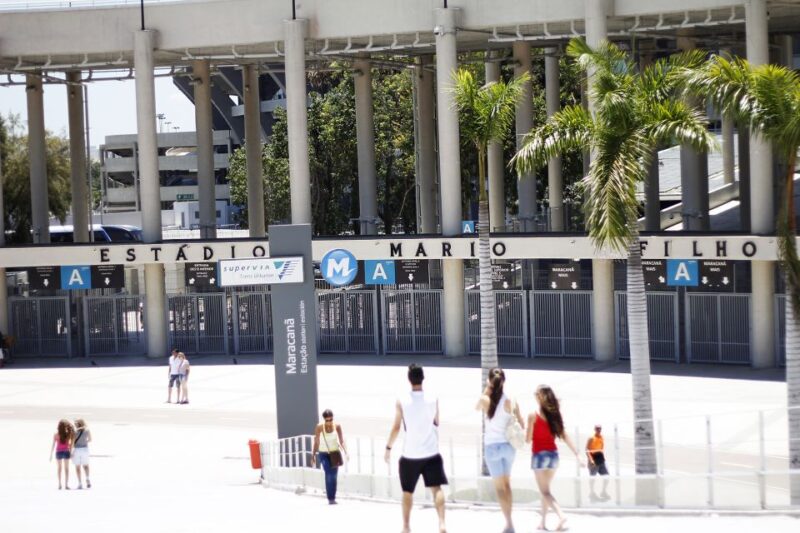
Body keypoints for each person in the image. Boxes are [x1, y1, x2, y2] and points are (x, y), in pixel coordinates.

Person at [385, 364, 447, 533]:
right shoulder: (434, 398)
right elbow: (437, 421)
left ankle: (406, 526)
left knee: (407, 492)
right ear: (423, 378)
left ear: (409, 379)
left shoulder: (402, 401)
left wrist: (388, 447)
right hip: (431, 452)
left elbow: (396, 427)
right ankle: (441, 523)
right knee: (437, 489)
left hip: (410, 454)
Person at [527, 385, 581, 532]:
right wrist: (577, 454)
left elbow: (528, 439)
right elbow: (565, 435)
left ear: (539, 397)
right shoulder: (554, 415)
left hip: (539, 456)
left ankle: (561, 515)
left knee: (545, 492)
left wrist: (522, 423)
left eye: (535, 394)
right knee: (545, 491)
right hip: (553, 456)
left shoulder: (533, 415)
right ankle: (542, 523)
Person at [477, 368, 524, 533]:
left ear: (490, 381)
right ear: (504, 382)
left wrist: (487, 389)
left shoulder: (485, 399)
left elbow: (476, 407)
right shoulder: (511, 400)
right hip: (508, 447)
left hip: (492, 448)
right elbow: (522, 424)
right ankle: (510, 521)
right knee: (507, 485)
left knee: (499, 488)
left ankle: (509, 523)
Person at [311, 409, 348, 504]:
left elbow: (341, 441)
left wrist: (346, 452)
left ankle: (333, 497)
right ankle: (330, 498)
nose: (329, 422)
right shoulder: (319, 427)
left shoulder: (337, 426)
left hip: (334, 453)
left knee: (334, 475)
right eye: (327, 420)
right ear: (324, 420)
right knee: (328, 473)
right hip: (323, 453)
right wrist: (313, 455)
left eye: (331, 420)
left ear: (333, 418)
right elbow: (316, 441)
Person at [586, 424, 610, 501]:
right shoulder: (591, 438)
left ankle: (603, 491)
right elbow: (587, 450)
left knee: (606, 476)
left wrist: (603, 458)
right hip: (593, 458)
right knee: (593, 477)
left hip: (600, 458)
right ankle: (592, 493)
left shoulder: (602, 437)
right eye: (597, 428)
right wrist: (591, 460)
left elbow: (601, 448)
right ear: (594, 429)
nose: (599, 430)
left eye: (600, 428)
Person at [49, 419, 75, 490]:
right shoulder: (68, 434)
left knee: (59, 468)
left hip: (58, 452)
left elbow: (53, 445)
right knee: (66, 469)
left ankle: (59, 484)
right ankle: (66, 485)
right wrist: (71, 450)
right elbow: (71, 443)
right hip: (66, 451)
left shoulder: (56, 434)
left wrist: (51, 454)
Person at [72, 419, 92, 489]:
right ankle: (87, 478)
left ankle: (80, 483)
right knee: (86, 465)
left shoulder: (74, 432)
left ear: (77, 424)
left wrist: (71, 452)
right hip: (85, 450)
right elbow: (90, 440)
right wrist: (84, 441)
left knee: (77, 467)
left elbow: (72, 442)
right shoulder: (87, 431)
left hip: (77, 450)